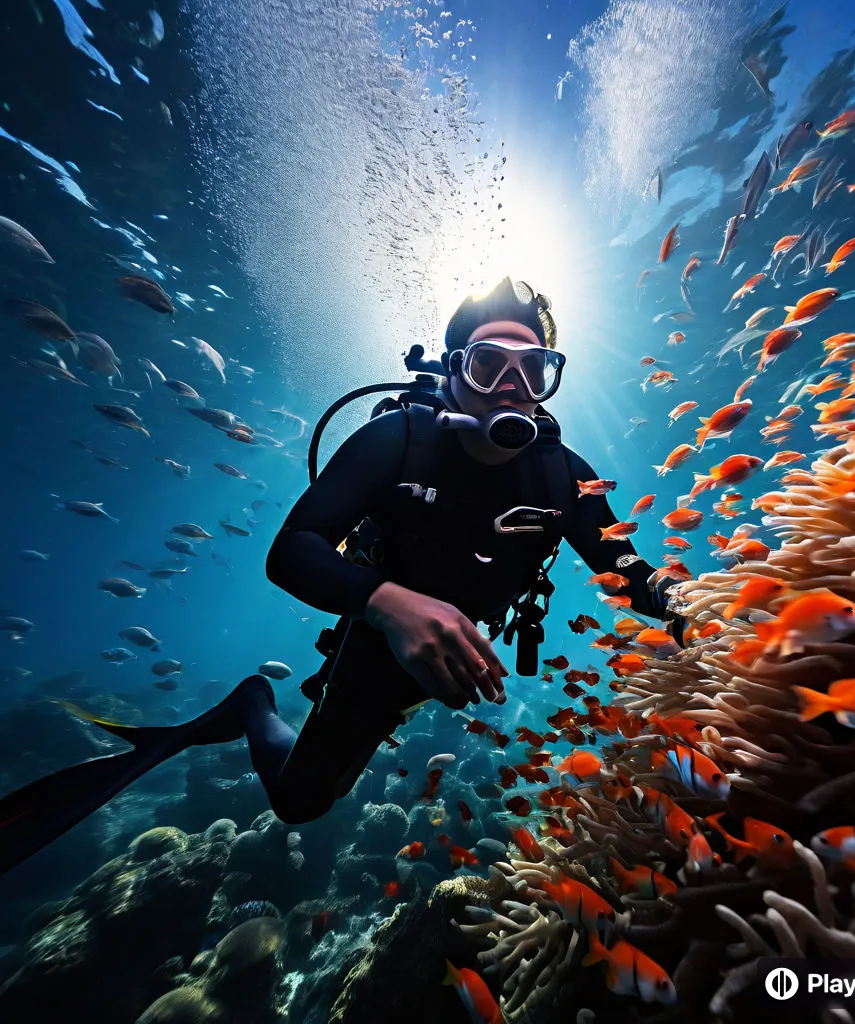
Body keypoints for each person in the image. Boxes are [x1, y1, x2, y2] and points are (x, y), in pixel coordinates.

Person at [0, 277, 683, 874]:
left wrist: (689, 603)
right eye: (488, 364)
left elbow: (625, 570)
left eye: (533, 369)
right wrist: (387, 605)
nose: (512, 386)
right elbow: (292, 548)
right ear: (453, 372)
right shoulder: (396, 442)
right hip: (377, 647)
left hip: (457, 652)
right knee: (300, 803)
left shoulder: (565, 475)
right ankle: (250, 703)